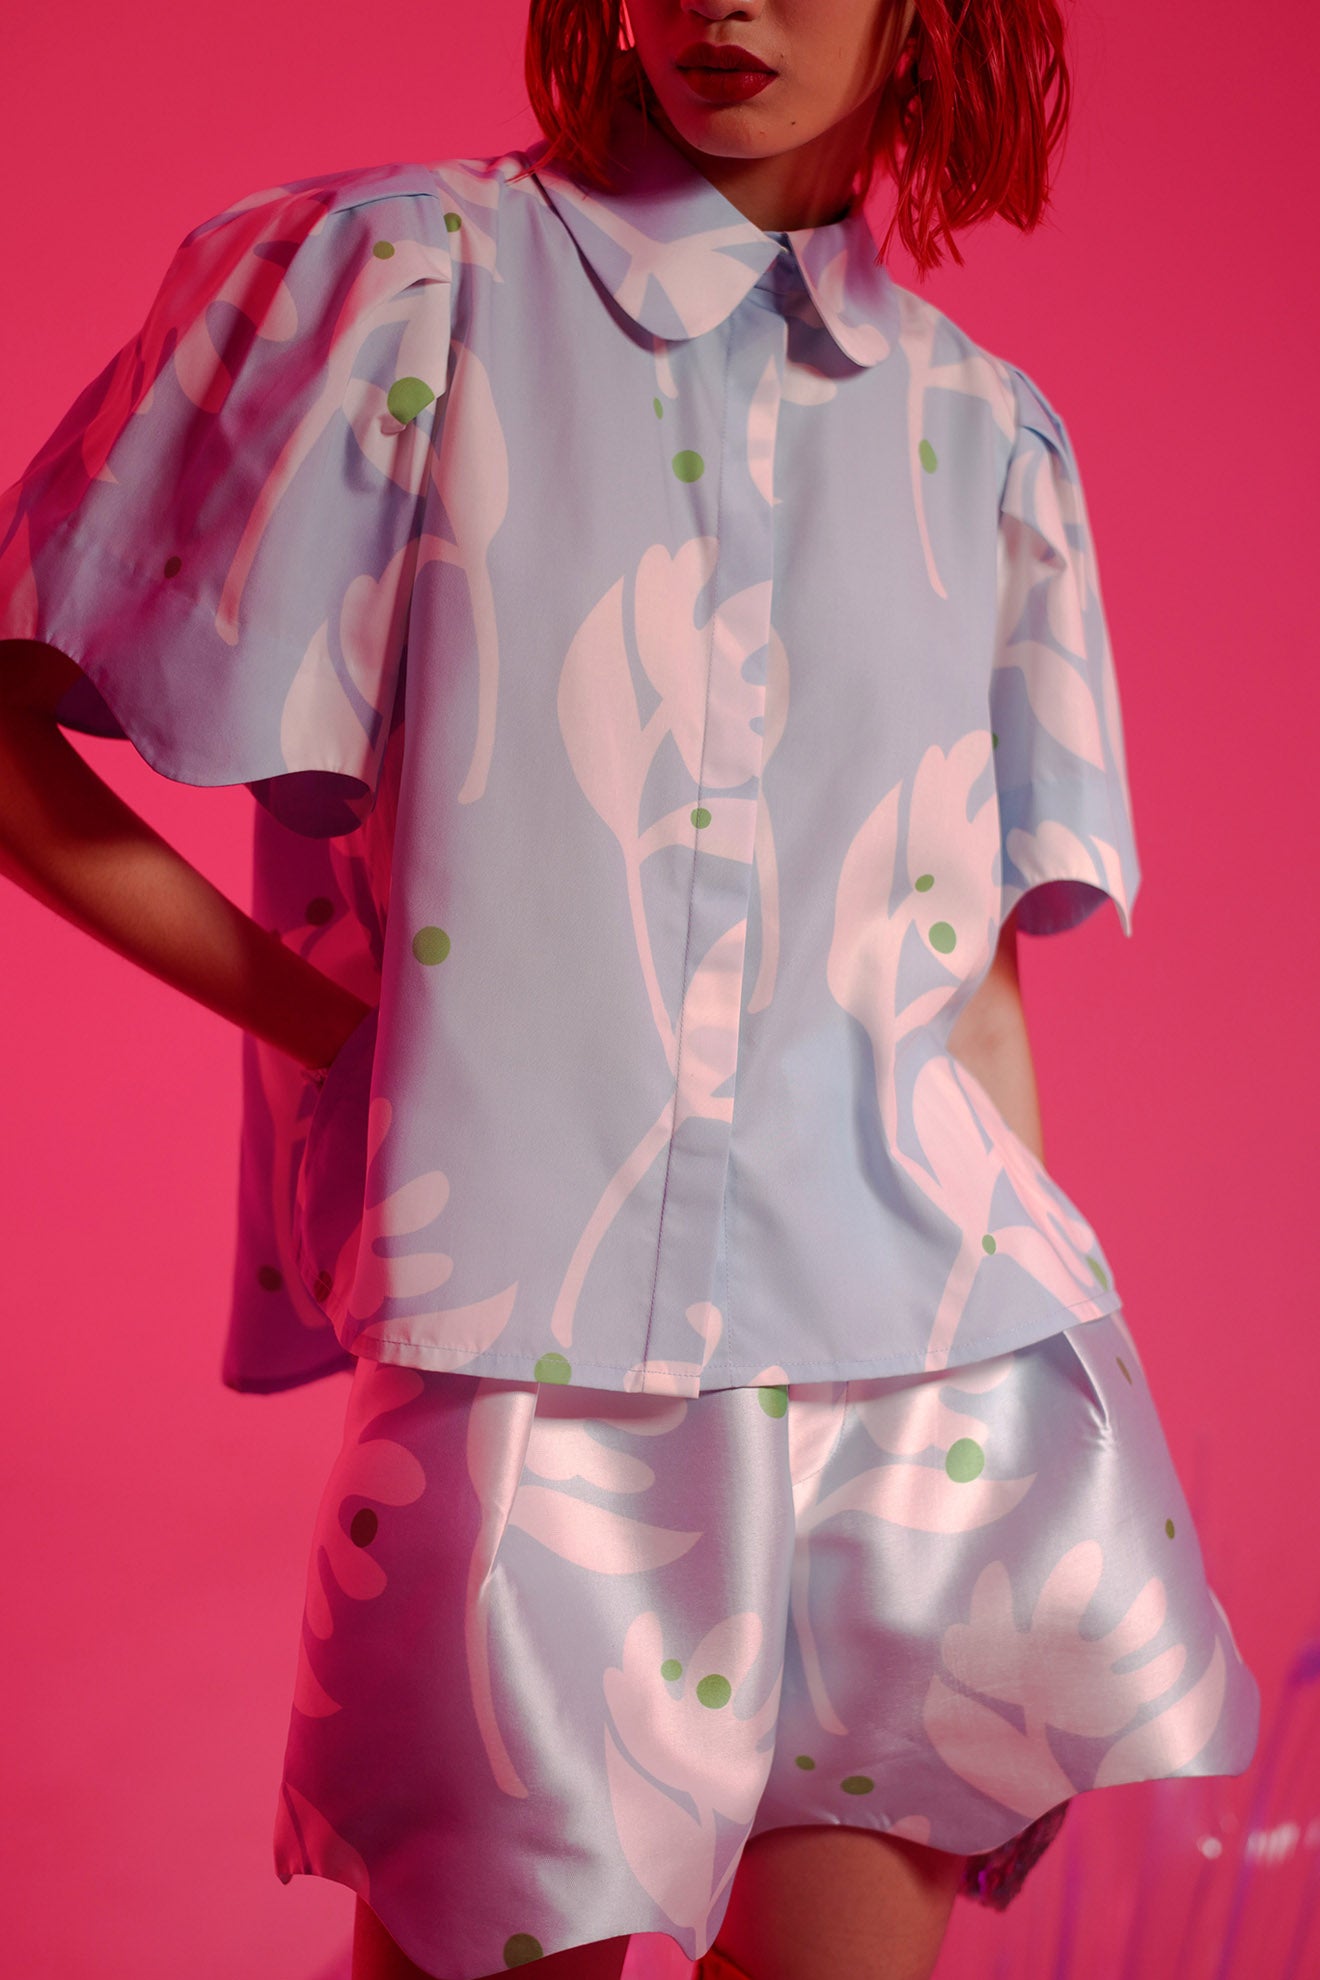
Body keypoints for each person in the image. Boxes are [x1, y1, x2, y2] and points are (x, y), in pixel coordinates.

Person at [0, 1, 1262, 1976]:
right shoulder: (401, 284)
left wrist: (1063, 1367)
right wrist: (343, 1035)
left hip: (935, 1391)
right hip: (536, 1389)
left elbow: (968, 985)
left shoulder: (986, 439)